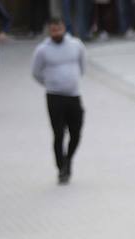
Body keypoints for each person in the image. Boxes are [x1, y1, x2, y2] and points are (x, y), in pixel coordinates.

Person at [31, 17, 86, 185]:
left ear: (64, 29)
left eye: (59, 29)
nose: (57, 33)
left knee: (75, 133)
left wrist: (72, 80)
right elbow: (36, 72)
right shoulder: (42, 50)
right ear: (49, 31)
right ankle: (61, 167)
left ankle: (69, 159)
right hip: (54, 97)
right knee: (59, 134)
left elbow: (82, 66)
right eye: (53, 30)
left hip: (73, 95)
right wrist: (50, 83)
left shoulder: (76, 45)